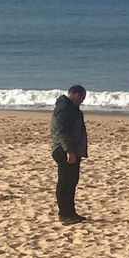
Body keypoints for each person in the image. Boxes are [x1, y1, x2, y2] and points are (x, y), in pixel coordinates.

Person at [50, 85, 89, 225]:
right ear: (76, 95)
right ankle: (64, 214)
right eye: (82, 98)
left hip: (73, 149)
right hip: (64, 150)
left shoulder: (72, 108)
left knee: (72, 182)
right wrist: (69, 151)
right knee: (65, 182)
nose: (82, 101)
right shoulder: (64, 108)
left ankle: (71, 212)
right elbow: (61, 131)